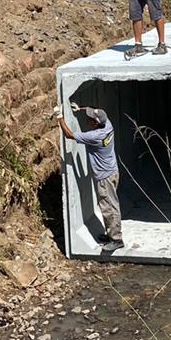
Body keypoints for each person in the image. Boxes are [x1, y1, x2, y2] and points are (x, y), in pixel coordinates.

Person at [58, 106, 123, 252]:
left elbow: (69, 135)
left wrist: (59, 117)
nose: (87, 119)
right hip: (112, 172)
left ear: (95, 124)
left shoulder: (96, 136)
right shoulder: (108, 125)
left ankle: (117, 239)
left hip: (104, 178)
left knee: (109, 208)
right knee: (110, 205)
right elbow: (92, 110)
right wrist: (80, 108)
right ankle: (111, 233)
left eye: (90, 119)